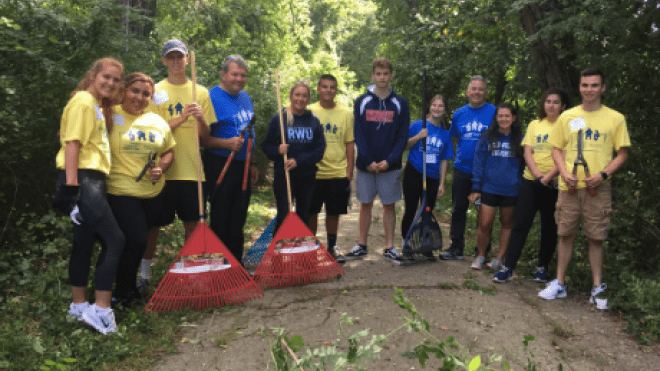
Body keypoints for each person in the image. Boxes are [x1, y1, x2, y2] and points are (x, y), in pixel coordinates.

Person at [539, 67, 630, 310]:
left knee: (595, 237)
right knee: (566, 234)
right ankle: (559, 283)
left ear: (603, 88)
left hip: (598, 189)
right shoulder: (567, 116)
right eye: (585, 85)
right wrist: (565, 173)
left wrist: (602, 175)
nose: (589, 90)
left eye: (594, 85)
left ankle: (596, 287)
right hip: (568, 187)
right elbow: (556, 149)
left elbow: (622, 154)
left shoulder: (615, 118)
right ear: (579, 87)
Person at [53, 57, 125, 335]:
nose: (110, 82)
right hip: (84, 179)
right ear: (93, 75)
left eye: (116, 80)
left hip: (89, 178)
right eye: (106, 77)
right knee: (115, 240)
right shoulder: (83, 100)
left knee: (83, 243)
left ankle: (79, 305)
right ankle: (102, 311)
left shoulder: (94, 105)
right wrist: (71, 189)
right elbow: (72, 144)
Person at [138, 39, 215, 290]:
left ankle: (191, 271)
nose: (175, 61)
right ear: (163, 60)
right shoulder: (155, 91)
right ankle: (144, 274)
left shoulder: (200, 92)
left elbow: (206, 138)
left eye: (179, 57)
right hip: (162, 169)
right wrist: (182, 118)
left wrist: (201, 119)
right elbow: (153, 132)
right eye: (170, 57)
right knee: (153, 225)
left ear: (187, 60)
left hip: (192, 169)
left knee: (192, 223)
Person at [107, 73, 175, 307]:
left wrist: (161, 168)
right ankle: (122, 292)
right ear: (124, 90)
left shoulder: (157, 121)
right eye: (135, 91)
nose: (139, 97)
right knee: (135, 240)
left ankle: (125, 289)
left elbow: (169, 151)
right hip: (120, 190)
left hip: (152, 193)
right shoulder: (110, 114)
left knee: (138, 242)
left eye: (146, 94)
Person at [493, 89, 570, 283]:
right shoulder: (535, 125)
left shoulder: (567, 126)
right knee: (520, 224)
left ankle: (542, 268)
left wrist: (548, 177)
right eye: (548, 101)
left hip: (553, 183)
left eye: (555, 102)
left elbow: (565, 155)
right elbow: (528, 151)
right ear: (543, 105)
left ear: (562, 106)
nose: (551, 105)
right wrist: (537, 175)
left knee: (549, 227)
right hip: (531, 181)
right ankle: (508, 267)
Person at [346, 57, 410, 262]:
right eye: (378, 74)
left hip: (389, 167)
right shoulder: (361, 101)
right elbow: (358, 133)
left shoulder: (400, 103)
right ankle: (361, 244)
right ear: (373, 75)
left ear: (391, 75)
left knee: (389, 205)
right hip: (366, 166)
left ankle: (390, 247)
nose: (382, 78)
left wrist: (390, 161)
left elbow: (402, 136)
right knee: (365, 205)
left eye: (386, 74)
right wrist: (366, 160)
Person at [202, 55, 258, 262]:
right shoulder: (210, 97)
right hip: (219, 164)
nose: (239, 79)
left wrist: (252, 162)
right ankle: (218, 264)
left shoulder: (245, 97)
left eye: (243, 75)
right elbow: (202, 139)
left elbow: (250, 131)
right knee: (221, 216)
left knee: (239, 216)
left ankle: (235, 263)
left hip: (242, 166)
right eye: (234, 74)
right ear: (224, 74)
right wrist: (226, 143)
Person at [441, 75, 497, 260]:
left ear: (485, 92)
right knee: (458, 209)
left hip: (487, 171)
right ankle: (456, 247)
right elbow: (455, 138)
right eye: (473, 89)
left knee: (485, 211)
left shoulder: (494, 112)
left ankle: (482, 251)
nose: (477, 92)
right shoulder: (458, 114)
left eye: (480, 89)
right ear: (467, 92)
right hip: (462, 168)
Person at [261, 81, 326, 233]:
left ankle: (297, 251)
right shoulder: (279, 119)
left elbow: (319, 150)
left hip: (307, 178)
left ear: (308, 99)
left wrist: (299, 161)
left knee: (303, 216)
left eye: (304, 96)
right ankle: (278, 252)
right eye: (297, 94)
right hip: (284, 177)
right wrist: (278, 149)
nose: (300, 99)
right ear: (290, 96)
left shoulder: (314, 122)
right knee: (284, 215)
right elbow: (266, 146)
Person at [469, 103, 524, 270]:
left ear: (513, 118)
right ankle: (480, 255)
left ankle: (499, 258)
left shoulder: (521, 139)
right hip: (489, 188)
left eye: (507, 116)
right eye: (501, 116)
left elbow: (524, 166)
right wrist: (476, 188)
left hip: (511, 189)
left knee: (507, 224)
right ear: (496, 118)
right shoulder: (486, 137)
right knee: (485, 224)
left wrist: (521, 185)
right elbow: (478, 163)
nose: (504, 119)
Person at [308, 74, 355, 263]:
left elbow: (350, 143)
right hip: (314, 172)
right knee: (312, 212)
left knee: (333, 213)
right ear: (318, 89)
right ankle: (310, 248)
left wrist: (349, 169)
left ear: (336, 90)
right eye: (325, 87)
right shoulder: (309, 111)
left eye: (332, 87)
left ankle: (332, 247)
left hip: (337, 172)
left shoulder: (345, 114)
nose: (328, 90)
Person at [401, 94, 453, 260]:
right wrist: (418, 137)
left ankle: (425, 244)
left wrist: (442, 183)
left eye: (440, 106)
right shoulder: (418, 125)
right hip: (414, 171)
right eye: (434, 105)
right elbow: (405, 145)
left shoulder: (445, 135)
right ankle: (407, 243)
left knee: (427, 210)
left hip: (432, 176)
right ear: (430, 107)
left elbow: (444, 160)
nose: (437, 109)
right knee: (410, 209)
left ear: (444, 110)